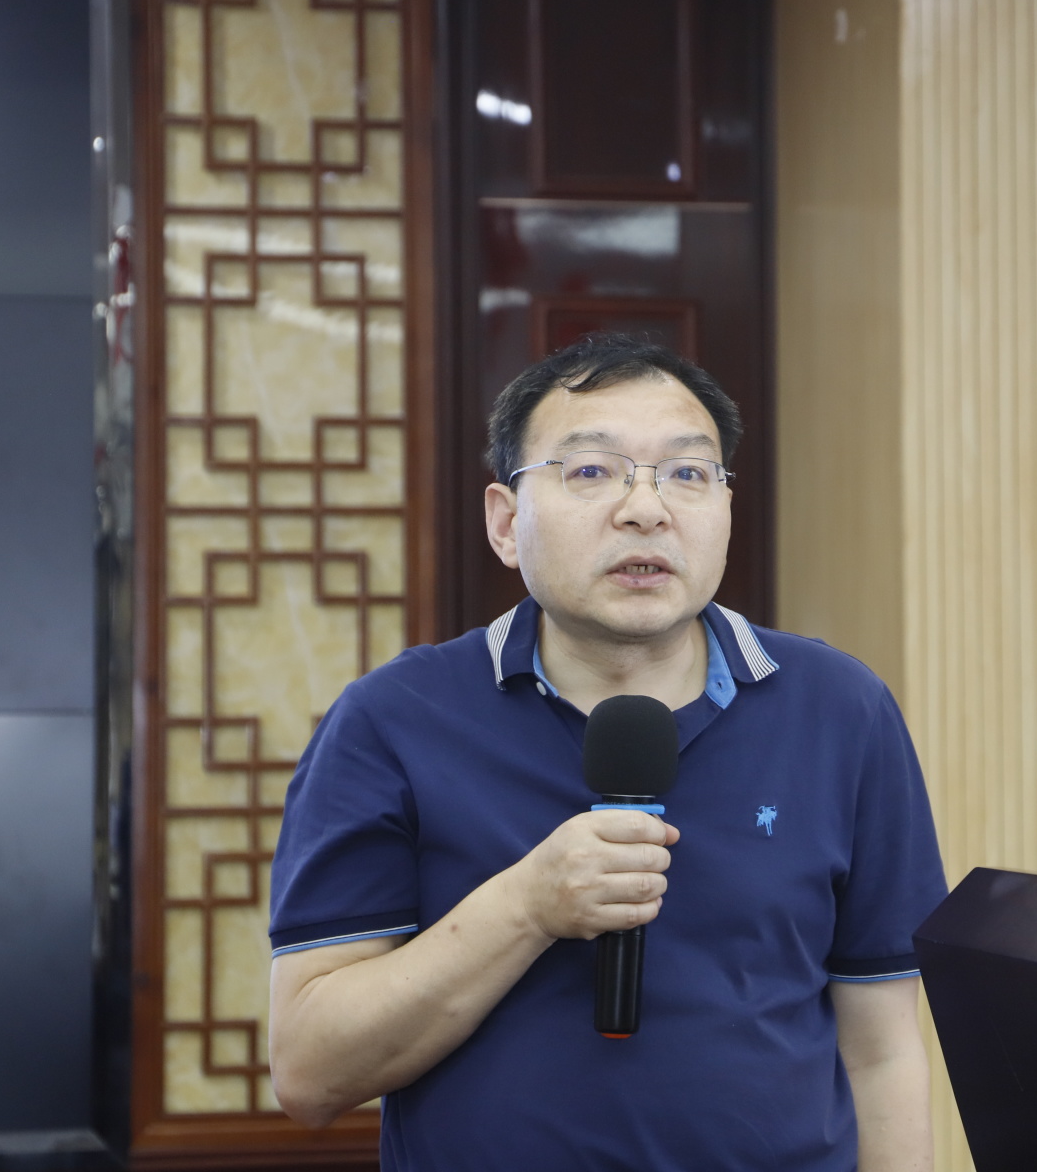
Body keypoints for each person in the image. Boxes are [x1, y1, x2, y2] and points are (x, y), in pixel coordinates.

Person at [266, 335, 947, 1171]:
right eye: (592, 470)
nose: (645, 509)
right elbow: (310, 1072)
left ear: (726, 510)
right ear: (506, 522)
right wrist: (526, 907)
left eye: (688, 473)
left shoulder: (841, 710)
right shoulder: (392, 721)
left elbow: (882, 1052)